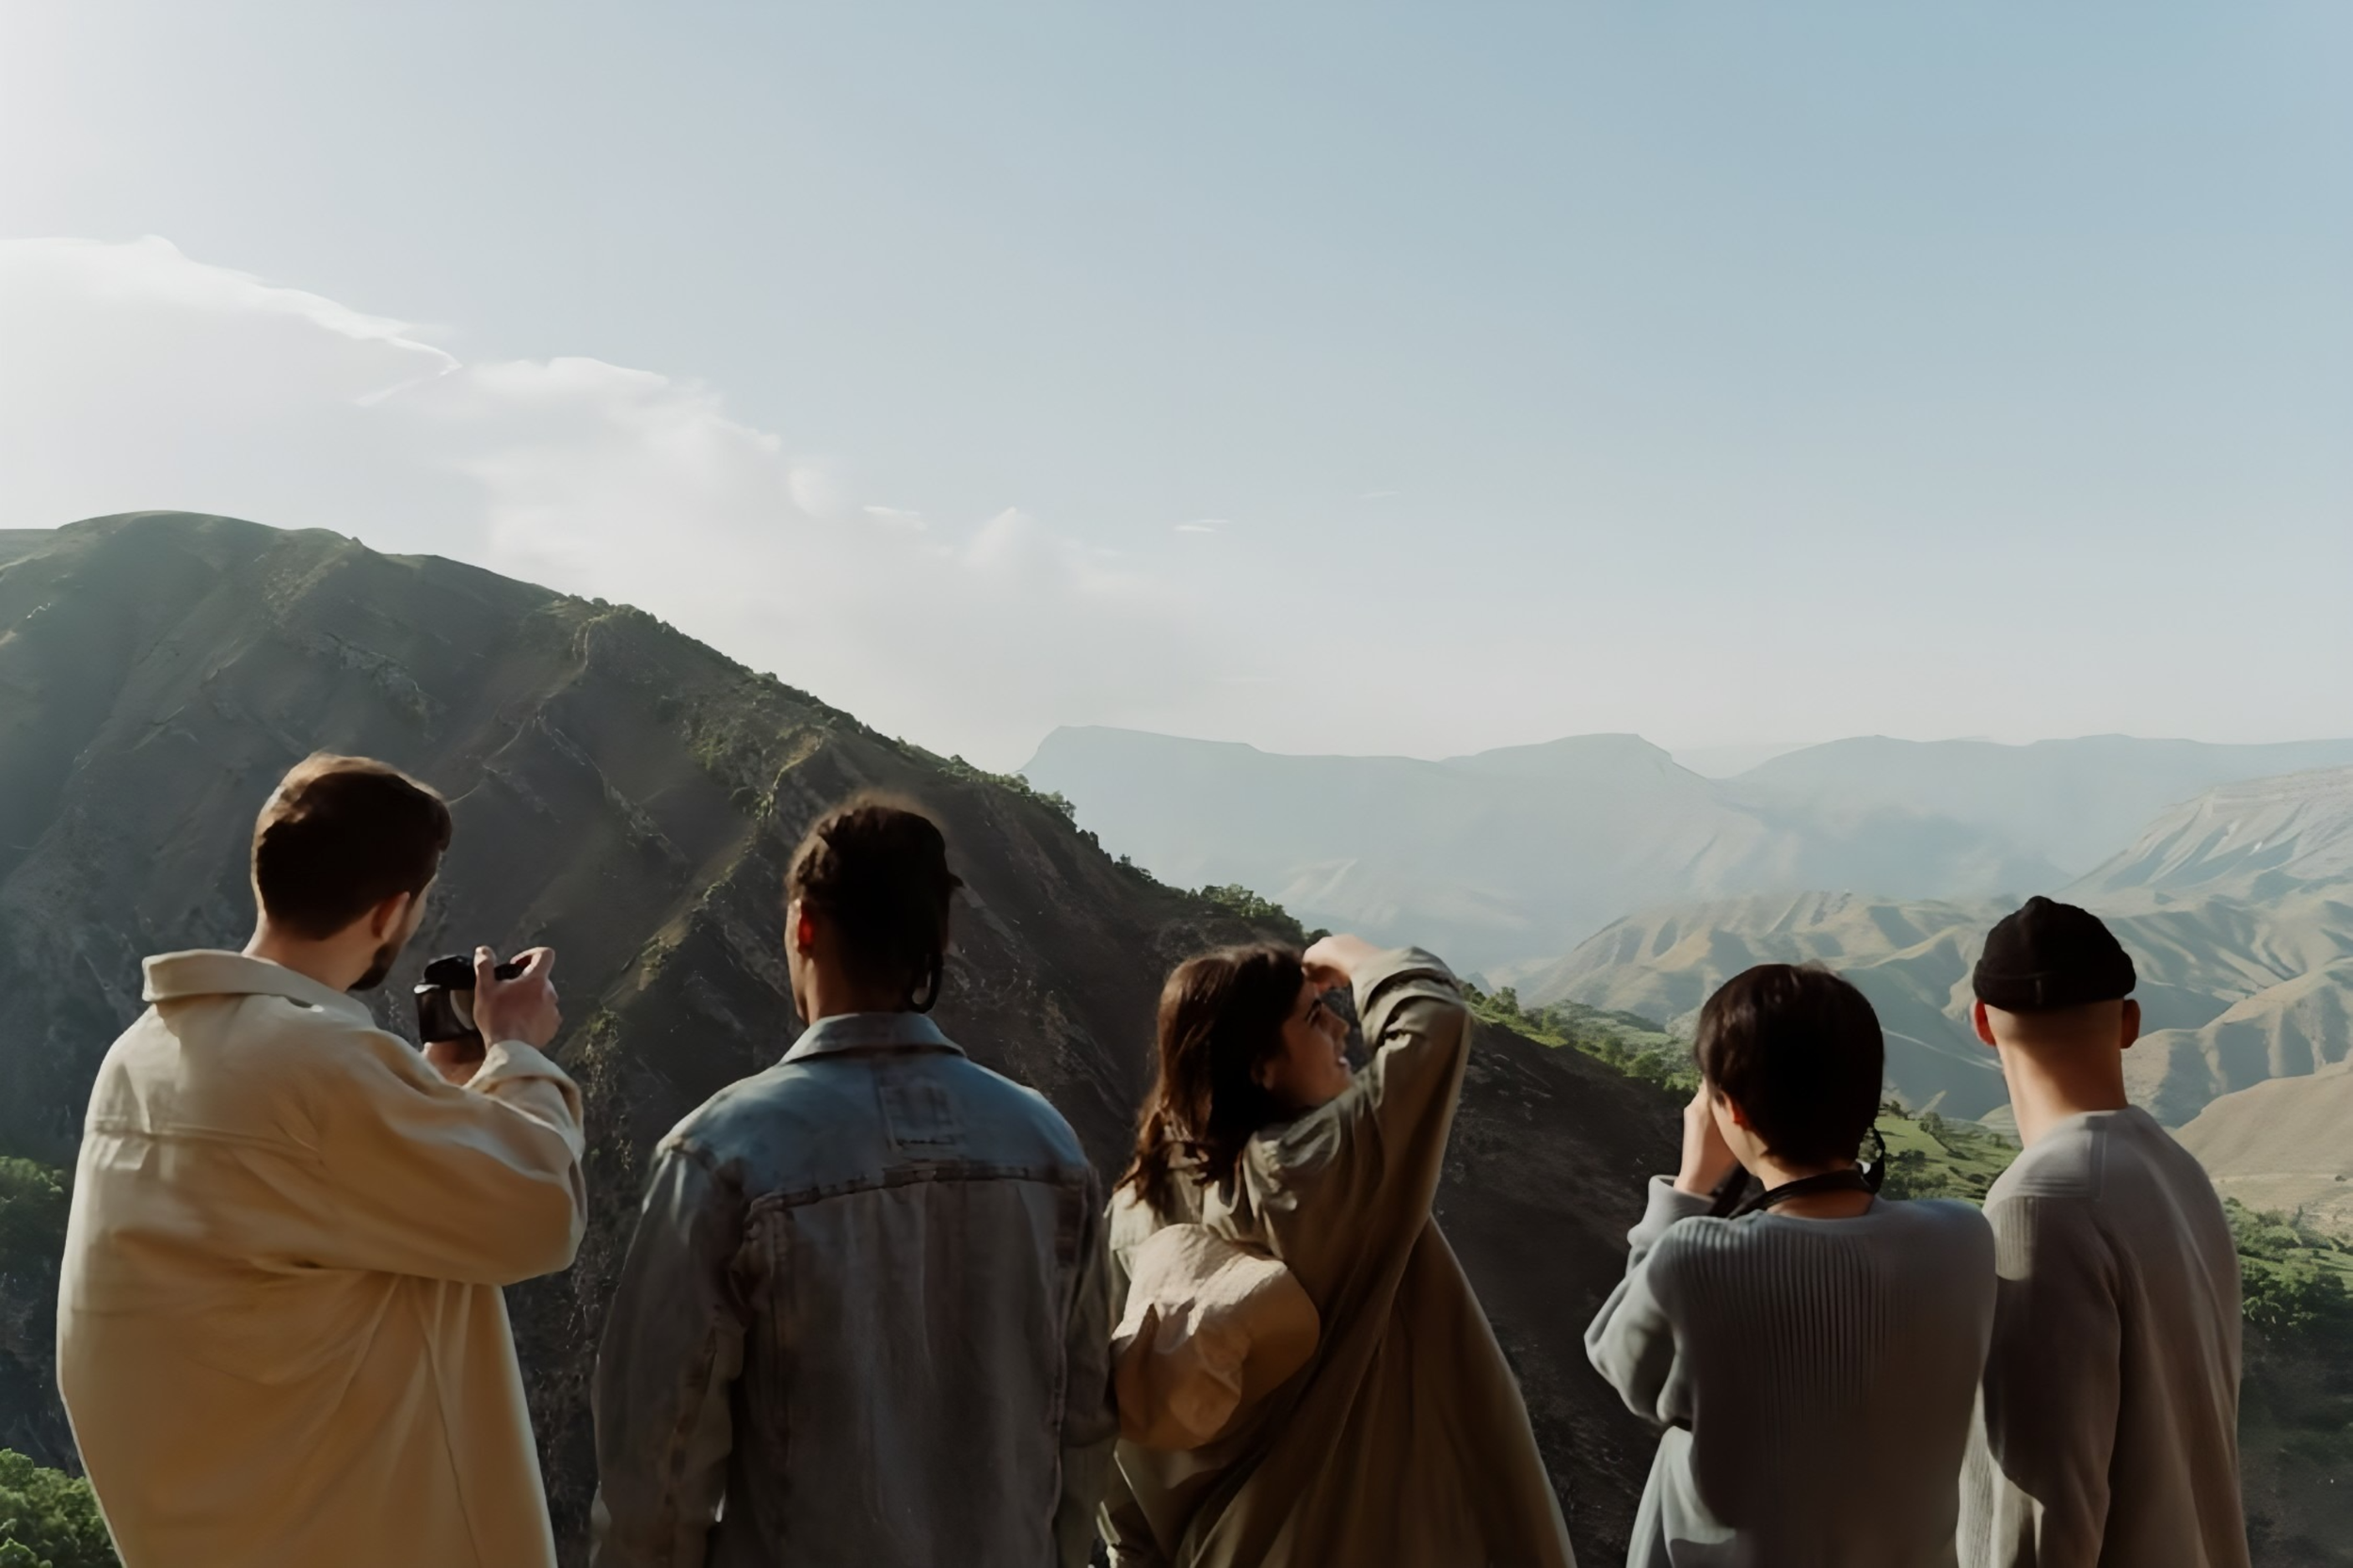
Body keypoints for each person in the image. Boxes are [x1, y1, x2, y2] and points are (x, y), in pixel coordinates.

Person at [56, 753, 585, 1568]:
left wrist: (443, 1084)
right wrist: (515, 1051)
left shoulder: (138, 1054)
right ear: (391, 913)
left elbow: (308, 1210)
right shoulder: (321, 1068)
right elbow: (540, 1213)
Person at [590, 797, 1114, 1568]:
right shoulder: (1048, 1147)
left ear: (805, 924)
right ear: (935, 941)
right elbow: (1084, 1426)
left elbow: (659, 1475)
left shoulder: (719, 1156)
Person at [1099, 936, 1576, 1568]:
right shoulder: (1314, 1172)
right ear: (1260, 1065)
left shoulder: (1133, 1210)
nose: (1340, 1027)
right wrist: (1351, 957)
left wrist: (1130, 1553)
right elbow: (1435, 1022)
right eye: (1313, 1016)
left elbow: (1108, 1418)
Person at [1585, 963, 1995, 1566]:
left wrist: (1690, 1187)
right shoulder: (1963, 1238)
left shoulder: (1698, 1255)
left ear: (1735, 1110)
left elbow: (1622, 1366)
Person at [1957, 897, 2249, 1567]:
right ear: (2129, 1023)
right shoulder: (2178, 1172)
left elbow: (2038, 1515)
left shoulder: (2036, 1205)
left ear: (1981, 1024)